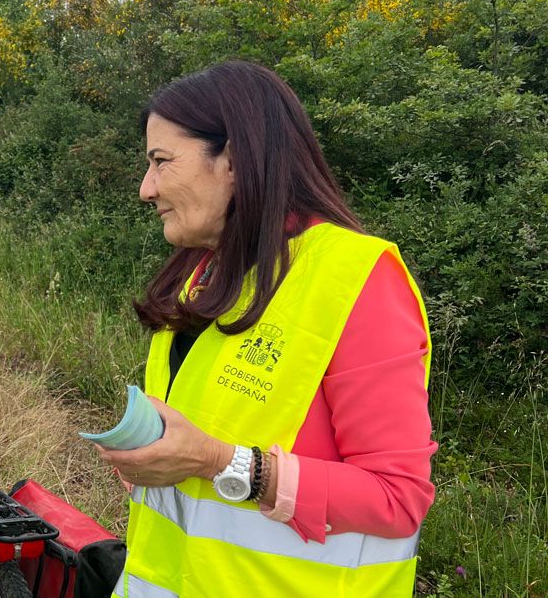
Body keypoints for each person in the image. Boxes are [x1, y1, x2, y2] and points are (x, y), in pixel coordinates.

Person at [95, 61, 435, 596]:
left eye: (161, 162)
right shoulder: (204, 274)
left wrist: (217, 462)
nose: (145, 188)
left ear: (234, 159)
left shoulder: (356, 279)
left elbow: (396, 499)